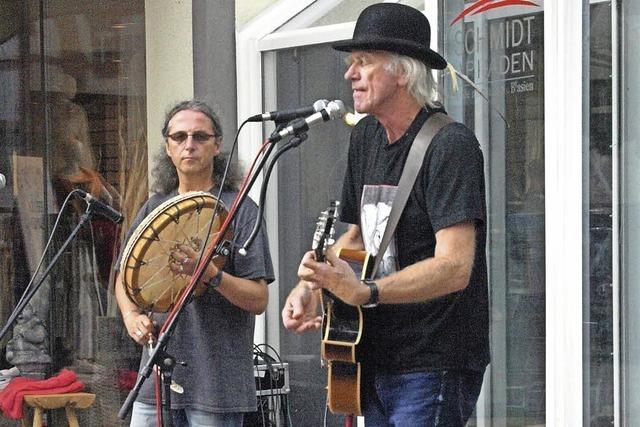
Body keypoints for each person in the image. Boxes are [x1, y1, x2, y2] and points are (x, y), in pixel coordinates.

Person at [281, 4, 489, 426]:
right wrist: (312, 281)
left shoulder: (450, 145)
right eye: (351, 63)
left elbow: (455, 267)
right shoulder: (367, 137)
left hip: (432, 358)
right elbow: (359, 237)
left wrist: (367, 292)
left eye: (363, 62)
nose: (349, 74)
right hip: (370, 353)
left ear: (401, 71)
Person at [115, 100, 274, 427]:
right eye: (180, 137)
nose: (189, 145)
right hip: (155, 383)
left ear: (217, 146)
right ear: (168, 147)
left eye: (200, 137)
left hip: (216, 387)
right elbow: (125, 274)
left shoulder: (240, 209)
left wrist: (211, 272)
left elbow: (258, 299)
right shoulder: (154, 207)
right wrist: (132, 316)